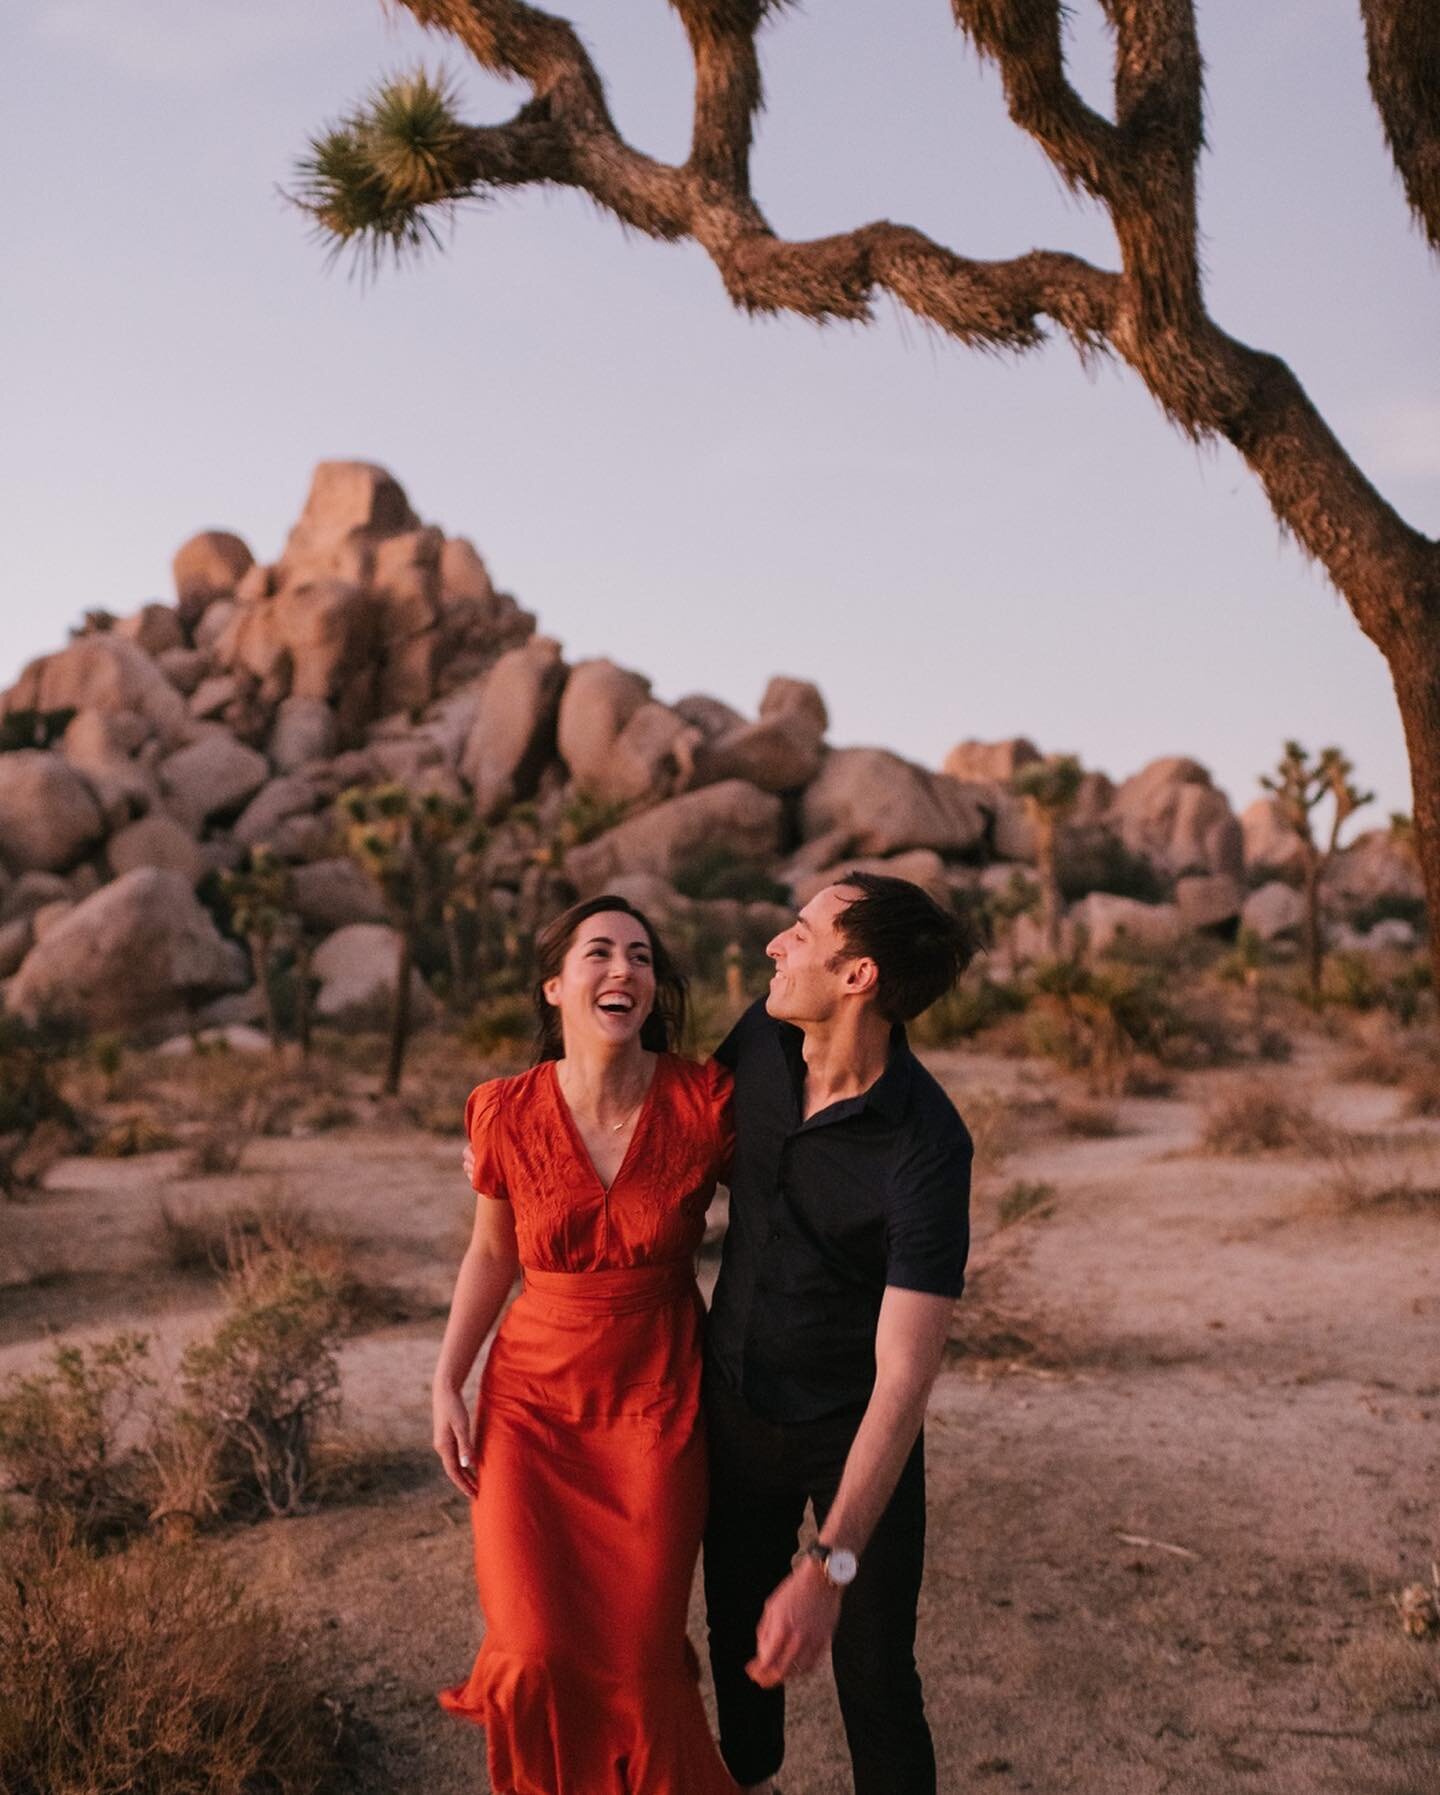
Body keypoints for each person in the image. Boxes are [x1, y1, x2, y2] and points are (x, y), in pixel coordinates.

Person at [433, 894, 740, 1795]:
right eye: (599, 953)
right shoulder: (502, 1110)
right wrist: (447, 1379)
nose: (624, 970)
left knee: (642, 1661)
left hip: (656, 1402)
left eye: (641, 957)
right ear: (556, 985)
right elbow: (493, 1252)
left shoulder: (708, 1101)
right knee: (530, 1651)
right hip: (529, 1408)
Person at [703, 872, 978, 1795]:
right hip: (731, 1405)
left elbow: (904, 1376)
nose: (777, 946)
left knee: (877, 1682)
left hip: (851, 1433)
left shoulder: (927, 1145)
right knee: (739, 1650)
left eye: (801, 930)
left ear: (857, 973)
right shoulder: (761, 1038)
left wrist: (830, 1560)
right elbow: (659, 1123)